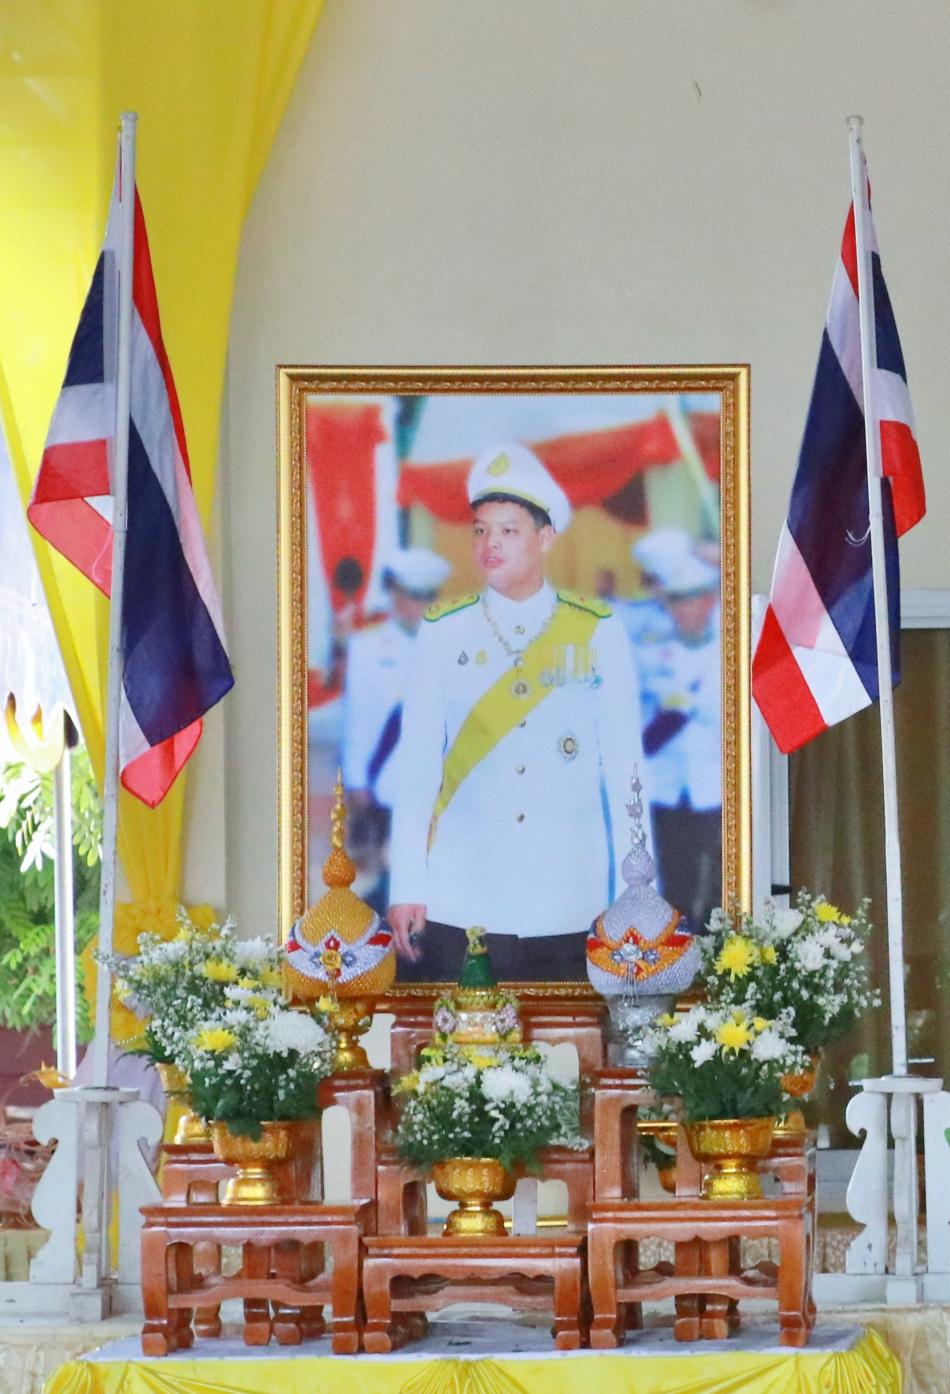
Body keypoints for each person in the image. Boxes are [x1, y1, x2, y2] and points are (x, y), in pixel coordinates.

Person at [388, 443, 647, 981]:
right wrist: (408, 885)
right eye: (481, 530)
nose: (490, 545)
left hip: (569, 894)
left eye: (509, 530)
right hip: (463, 894)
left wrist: (635, 893)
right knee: (460, 1058)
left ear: (545, 537)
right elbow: (416, 769)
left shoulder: (598, 631)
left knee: (571, 1056)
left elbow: (627, 771)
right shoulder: (443, 632)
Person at [341, 547, 451, 910]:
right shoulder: (367, 647)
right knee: (391, 870)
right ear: (395, 596)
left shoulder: (451, 647)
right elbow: (359, 719)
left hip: (440, 776)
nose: (420, 607)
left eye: (427, 598)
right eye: (412, 597)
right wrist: (357, 782)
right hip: (387, 778)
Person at [632, 531, 721, 934]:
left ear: (710, 601)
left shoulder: (725, 656)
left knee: (723, 886)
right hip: (666, 790)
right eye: (677, 601)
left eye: (693, 599)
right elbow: (643, 727)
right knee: (675, 886)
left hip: (714, 789)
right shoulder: (651, 654)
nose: (685, 610)